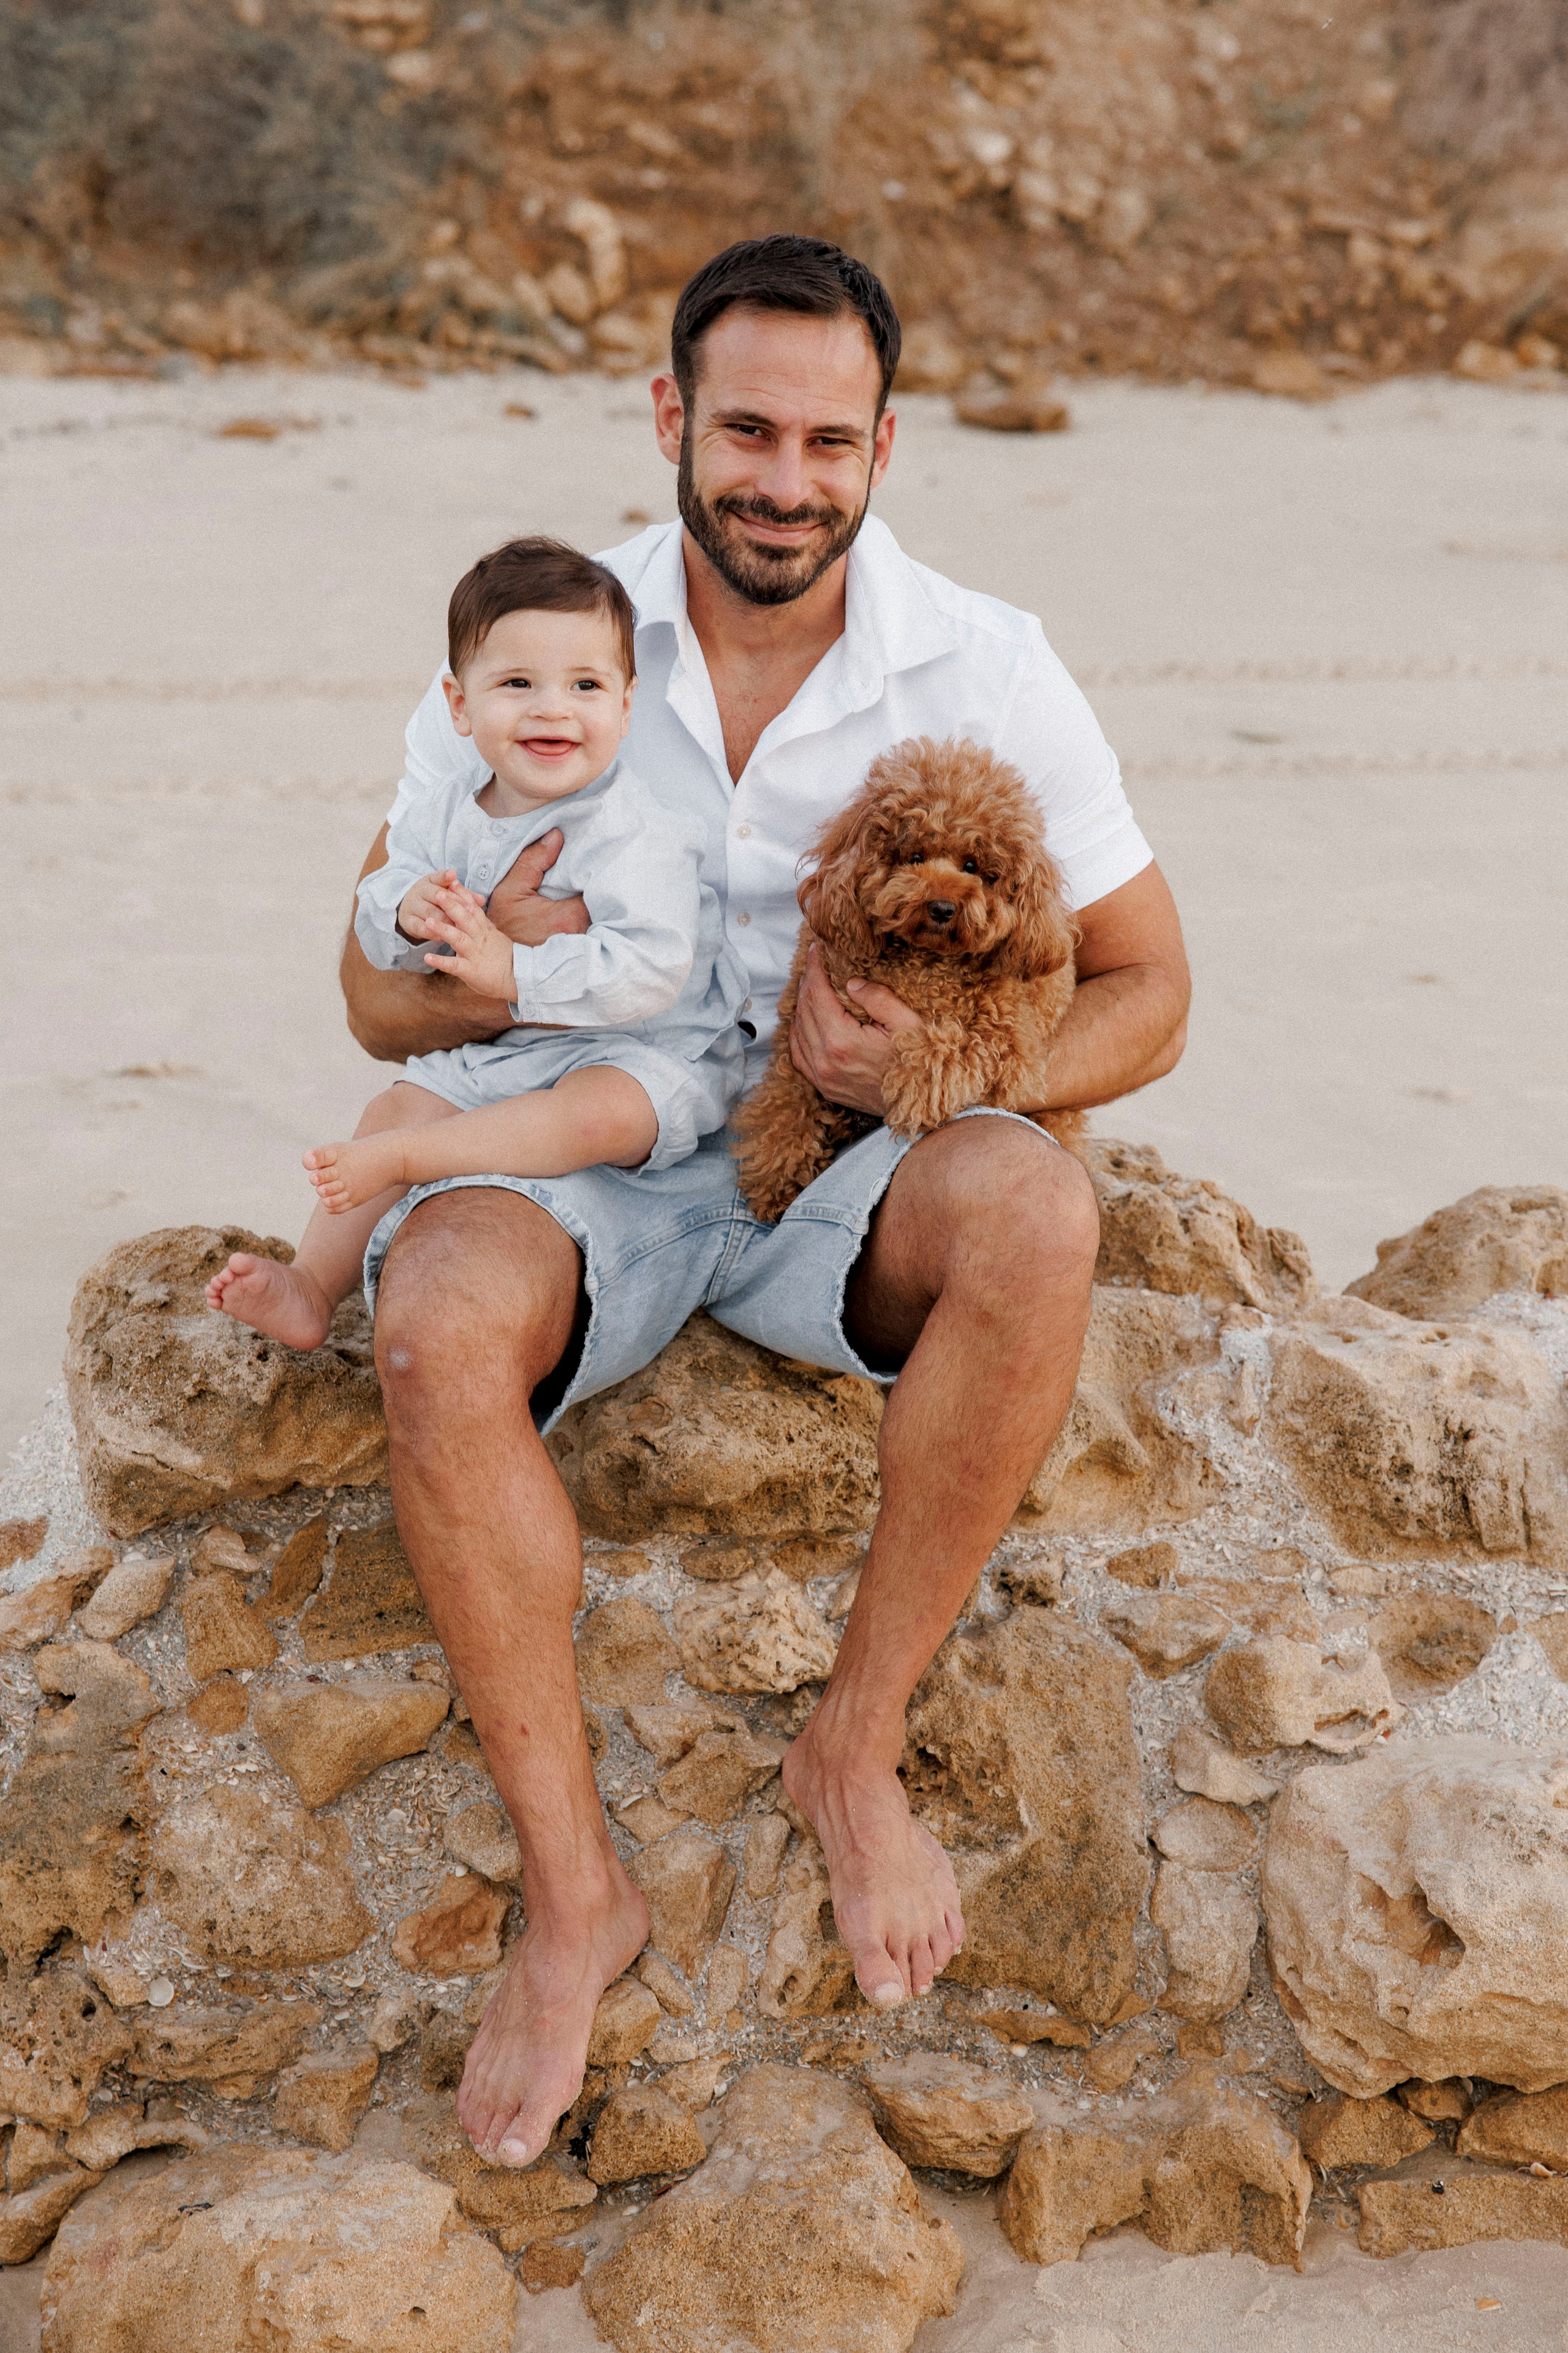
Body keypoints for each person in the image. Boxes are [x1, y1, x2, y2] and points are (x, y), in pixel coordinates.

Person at [341, 235, 1192, 2170]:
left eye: (826, 441)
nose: (784, 482)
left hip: (859, 1168)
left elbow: (1154, 991)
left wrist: (937, 1078)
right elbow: (371, 992)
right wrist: (486, 972)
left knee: (1039, 1213)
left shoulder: (987, 661)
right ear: (672, 415)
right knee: (434, 1313)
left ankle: (853, 1747)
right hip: (589, 1134)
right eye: (746, 432)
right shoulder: (547, 630)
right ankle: (576, 1895)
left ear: (885, 444)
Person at [206, 537, 746, 1350]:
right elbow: (377, 908)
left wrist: (513, 970)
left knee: (597, 1112)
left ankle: (416, 1158)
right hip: (510, 1051)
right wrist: (405, 909)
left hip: (641, 1050)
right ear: (460, 706)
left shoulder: (637, 831)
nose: (553, 709)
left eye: (586, 685)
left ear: (627, 705)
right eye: (518, 684)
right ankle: (311, 1285)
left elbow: (653, 970)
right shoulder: (447, 808)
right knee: (390, 1107)